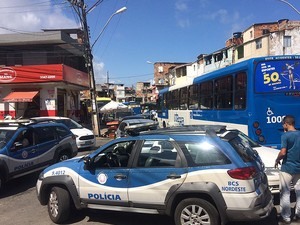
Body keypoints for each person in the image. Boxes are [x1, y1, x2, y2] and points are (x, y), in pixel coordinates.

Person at [275, 115, 300, 224]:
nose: (282, 125)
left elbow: (283, 152)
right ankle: (298, 214)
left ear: (286, 124)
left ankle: (286, 217)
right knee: (299, 192)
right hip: (299, 168)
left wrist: (277, 159)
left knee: (285, 192)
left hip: (287, 168)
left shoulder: (285, 136)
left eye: (283, 123)